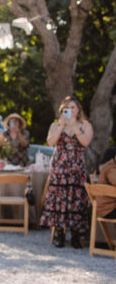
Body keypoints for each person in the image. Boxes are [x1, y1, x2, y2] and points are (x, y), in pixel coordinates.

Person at [40, 96, 93, 248]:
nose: (70, 110)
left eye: (73, 107)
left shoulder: (85, 125)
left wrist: (74, 127)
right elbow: (50, 142)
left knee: (76, 198)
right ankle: (58, 232)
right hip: (60, 166)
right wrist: (62, 125)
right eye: (67, 107)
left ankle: (76, 233)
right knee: (59, 198)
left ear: (78, 110)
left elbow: (85, 142)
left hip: (77, 167)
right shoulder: (55, 125)